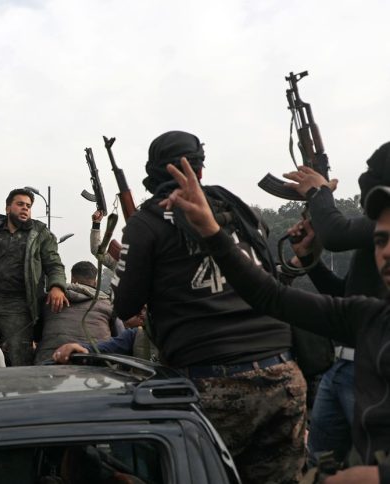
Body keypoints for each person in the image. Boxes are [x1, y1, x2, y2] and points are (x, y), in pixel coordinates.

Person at [161, 156, 390, 484]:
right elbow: (271, 296)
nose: (386, 251)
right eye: (380, 240)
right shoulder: (370, 316)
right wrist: (211, 231)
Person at [111, 131, 305, 483]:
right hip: (283, 372)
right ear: (200, 170)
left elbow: (125, 306)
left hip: (209, 380)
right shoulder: (239, 210)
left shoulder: (148, 221)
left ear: (152, 173)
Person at [283, 143, 390, 466]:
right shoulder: (375, 240)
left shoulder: (380, 227)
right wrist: (308, 260)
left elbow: (337, 234)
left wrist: (318, 193)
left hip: (371, 370)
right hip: (341, 365)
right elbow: (345, 295)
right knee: (323, 467)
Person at [0, 185, 68, 368]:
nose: (25, 208)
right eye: (20, 204)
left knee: (21, 360)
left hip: (19, 308)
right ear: (8, 208)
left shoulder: (41, 234)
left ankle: (22, 395)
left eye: (28, 206)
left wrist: (57, 286)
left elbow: (54, 265)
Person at [33, 261, 113, 365]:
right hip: (96, 365)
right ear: (96, 282)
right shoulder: (107, 304)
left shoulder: (49, 299)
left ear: (72, 279)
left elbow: (36, 335)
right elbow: (118, 337)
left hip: (50, 363)